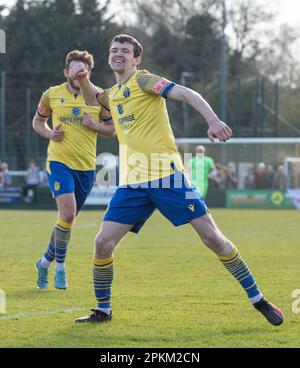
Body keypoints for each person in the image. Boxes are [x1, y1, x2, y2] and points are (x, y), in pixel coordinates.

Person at [71, 34, 283, 326]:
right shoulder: (115, 94)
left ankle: (258, 299)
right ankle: (102, 311)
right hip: (132, 183)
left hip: (167, 176)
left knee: (212, 238)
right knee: (103, 243)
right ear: (109, 58)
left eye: (125, 51)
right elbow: (94, 96)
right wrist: (82, 78)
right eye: (113, 50)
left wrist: (213, 120)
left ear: (136, 60)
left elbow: (187, 94)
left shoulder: (144, 82)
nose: (118, 53)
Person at [32, 50, 115, 290]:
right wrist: (49, 133)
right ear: (66, 72)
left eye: (83, 70)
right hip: (59, 162)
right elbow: (38, 121)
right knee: (67, 214)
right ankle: (60, 268)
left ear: (88, 73)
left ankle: (44, 262)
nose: (78, 73)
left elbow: (112, 130)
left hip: (87, 167)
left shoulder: (99, 97)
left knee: (65, 221)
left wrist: (96, 125)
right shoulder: (52, 94)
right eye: (74, 69)